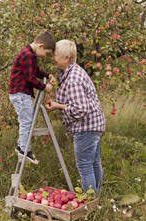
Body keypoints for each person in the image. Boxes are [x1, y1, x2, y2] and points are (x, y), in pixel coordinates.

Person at [45, 40, 105, 193]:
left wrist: (58, 106)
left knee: (85, 165)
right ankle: (96, 199)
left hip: (86, 126)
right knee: (94, 162)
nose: (53, 58)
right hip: (94, 125)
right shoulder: (71, 72)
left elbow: (80, 109)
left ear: (66, 58)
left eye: (56, 55)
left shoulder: (72, 79)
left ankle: (90, 201)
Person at [9, 31, 56, 164]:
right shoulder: (28, 55)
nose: (46, 56)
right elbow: (30, 78)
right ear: (41, 46)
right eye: (46, 53)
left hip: (21, 93)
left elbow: (35, 71)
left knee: (26, 120)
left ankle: (21, 146)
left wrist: (47, 75)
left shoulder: (30, 55)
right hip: (20, 94)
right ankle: (24, 150)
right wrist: (44, 87)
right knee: (26, 121)